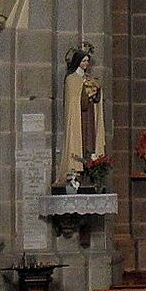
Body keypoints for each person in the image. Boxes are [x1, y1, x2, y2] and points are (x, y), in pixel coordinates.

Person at [58, 44, 102, 188]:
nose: (86, 64)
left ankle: (89, 169)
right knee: (78, 142)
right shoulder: (71, 79)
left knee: (89, 141)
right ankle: (75, 172)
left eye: (87, 61)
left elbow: (96, 99)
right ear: (77, 61)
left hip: (89, 116)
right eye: (83, 61)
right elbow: (73, 100)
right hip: (78, 117)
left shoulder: (89, 78)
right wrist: (85, 93)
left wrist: (96, 91)